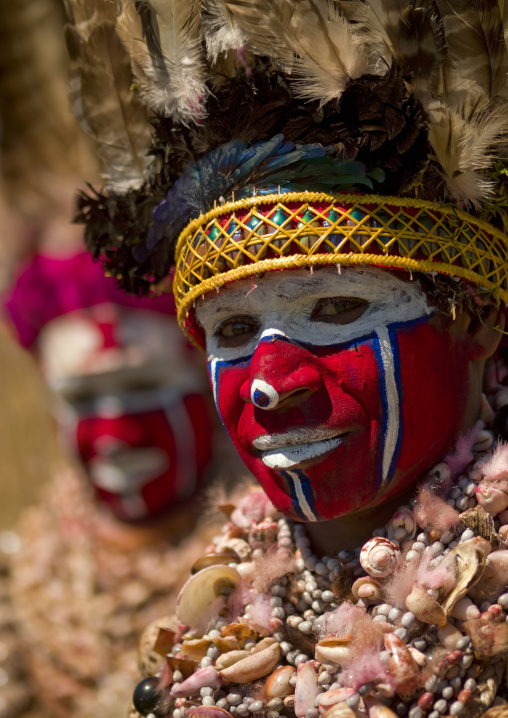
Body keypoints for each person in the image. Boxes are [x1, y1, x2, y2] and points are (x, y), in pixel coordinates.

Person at [66, 1, 508, 716]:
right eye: (233, 330)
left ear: (478, 318)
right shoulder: (209, 625)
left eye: (337, 309)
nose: (270, 388)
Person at [2, 249, 225, 718]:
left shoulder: (274, 556)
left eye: (143, 386)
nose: (115, 437)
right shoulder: (17, 581)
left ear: (206, 389)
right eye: (82, 397)